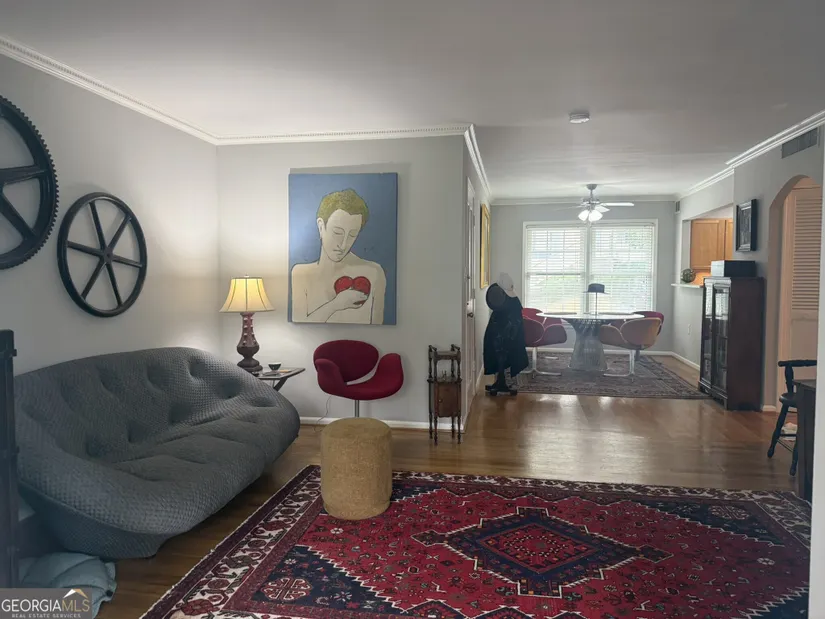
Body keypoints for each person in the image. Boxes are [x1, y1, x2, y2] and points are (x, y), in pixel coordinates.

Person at [291, 189, 387, 324]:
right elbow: (300, 324)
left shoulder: (374, 272)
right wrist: (335, 305)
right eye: (337, 233)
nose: (343, 245)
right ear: (321, 227)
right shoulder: (300, 274)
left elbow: (378, 327)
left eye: (352, 235)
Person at [483, 273, 529, 394]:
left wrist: (510, 334)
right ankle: (500, 381)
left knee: (503, 355)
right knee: (496, 355)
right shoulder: (503, 298)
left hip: (508, 334)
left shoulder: (513, 302)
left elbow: (515, 320)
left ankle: (501, 382)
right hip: (500, 333)